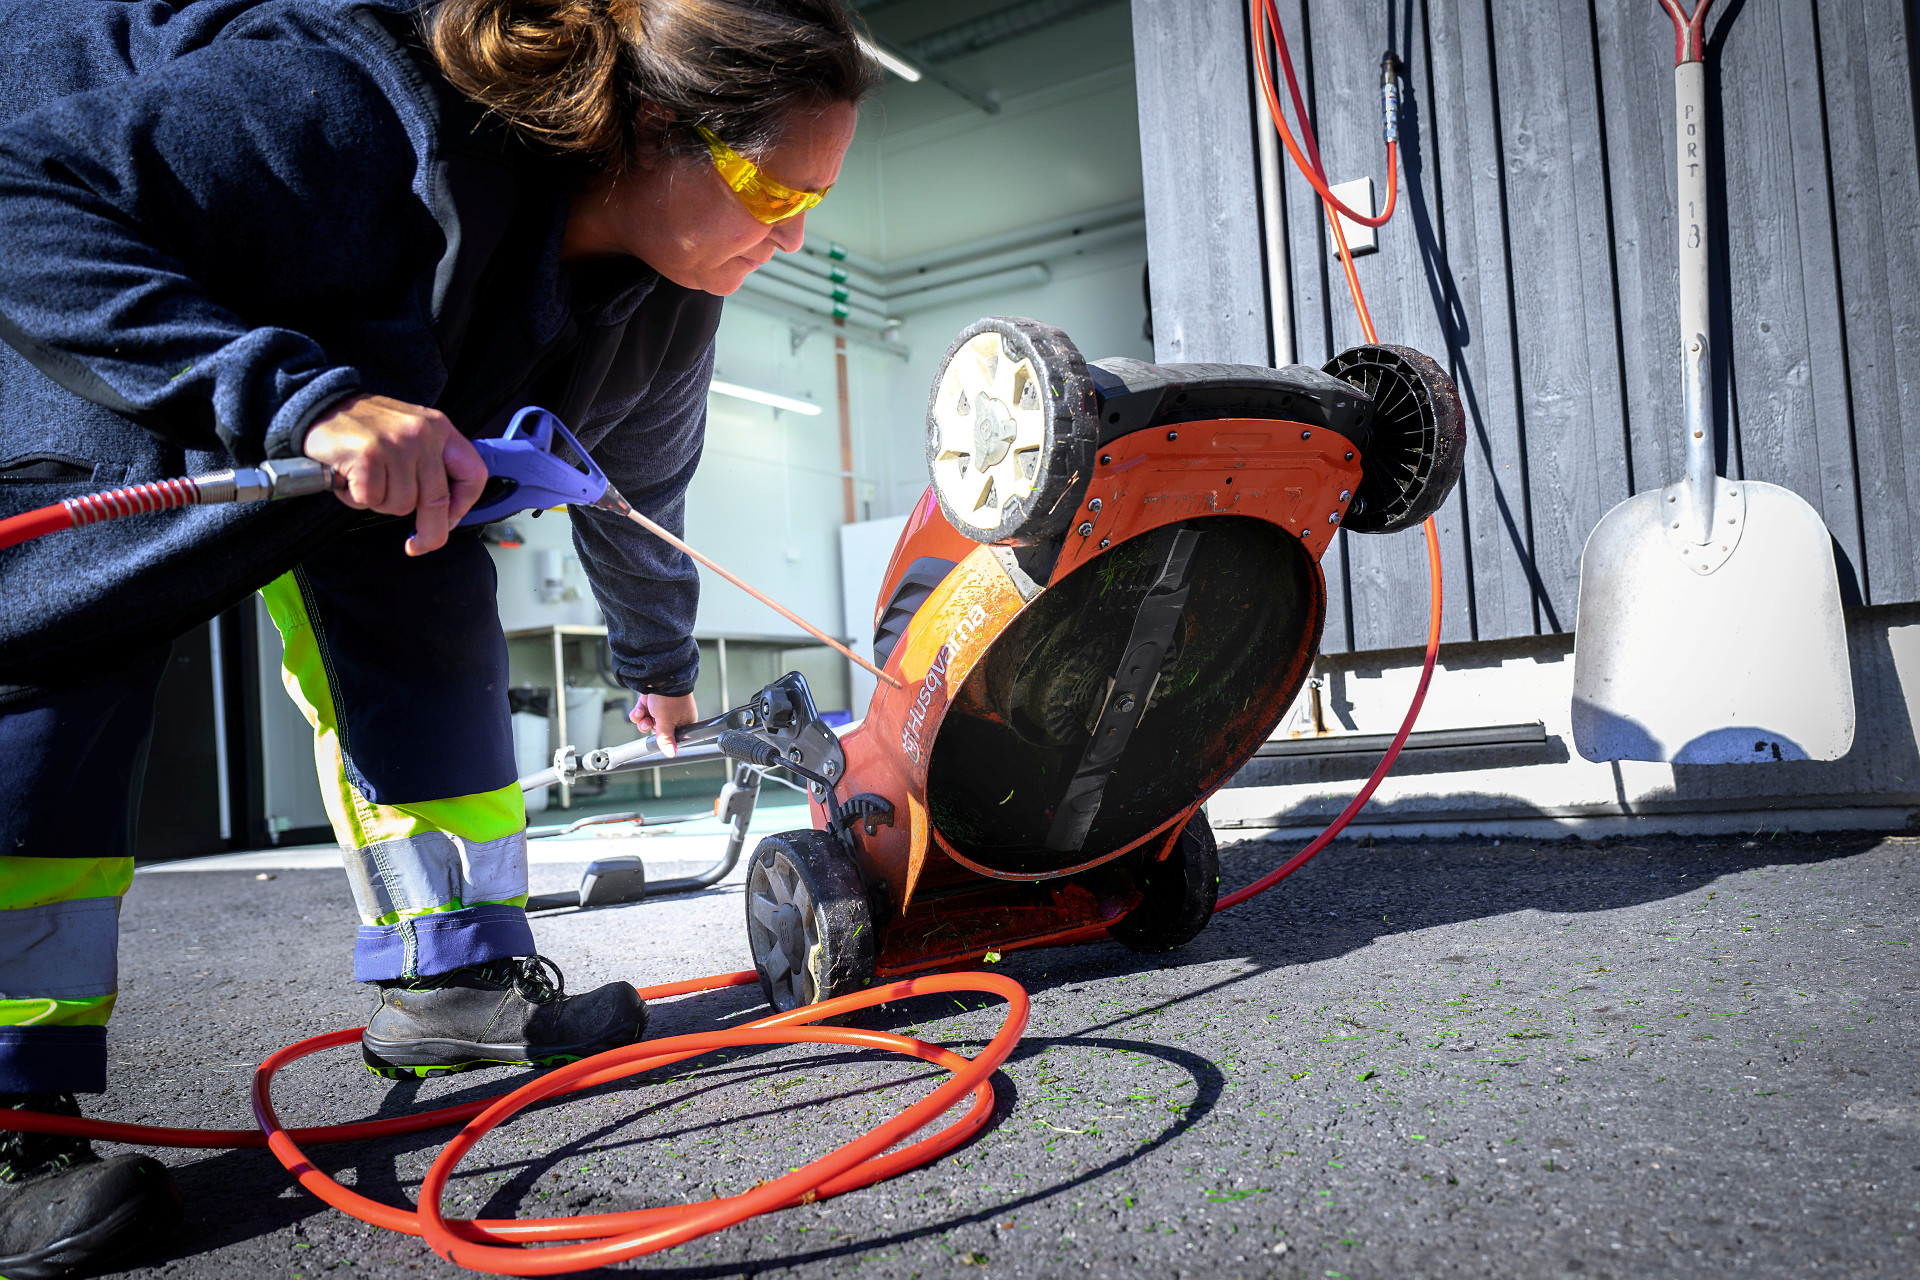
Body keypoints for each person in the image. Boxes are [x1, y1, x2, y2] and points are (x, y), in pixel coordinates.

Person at [0, 0, 875, 1272]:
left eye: (817, 200)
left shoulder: (671, 300)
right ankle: (15, 1101)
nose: (794, 235)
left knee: (427, 588)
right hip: (85, 258)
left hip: (320, 338)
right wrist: (300, 399)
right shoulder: (354, 111)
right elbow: (24, 195)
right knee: (72, 629)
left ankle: (453, 988)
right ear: (647, 126)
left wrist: (661, 675)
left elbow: (637, 494)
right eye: (768, 187)